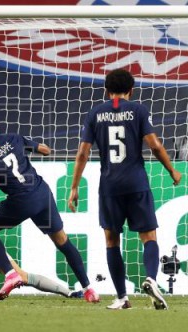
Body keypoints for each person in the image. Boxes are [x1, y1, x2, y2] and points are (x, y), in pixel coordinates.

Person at [0, 113, 99, 302]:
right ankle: (89, 288)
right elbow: (45, 150)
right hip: (42, 194)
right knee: (62, 240)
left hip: (20, 201)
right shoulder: (14, 137)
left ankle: (11, 274)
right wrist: (28, 147)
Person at [68, 69, 181, 310]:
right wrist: (172, 170)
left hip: (109, 186)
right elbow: (155, 146)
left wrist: (75, 187)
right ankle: (150, 278)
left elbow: (82, 153)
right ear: (131, 90)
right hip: (136, 182)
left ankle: (121, 297)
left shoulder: (95, 113)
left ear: (107, 90)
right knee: (148, 236)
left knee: (111, 240)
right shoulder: (139, 110)